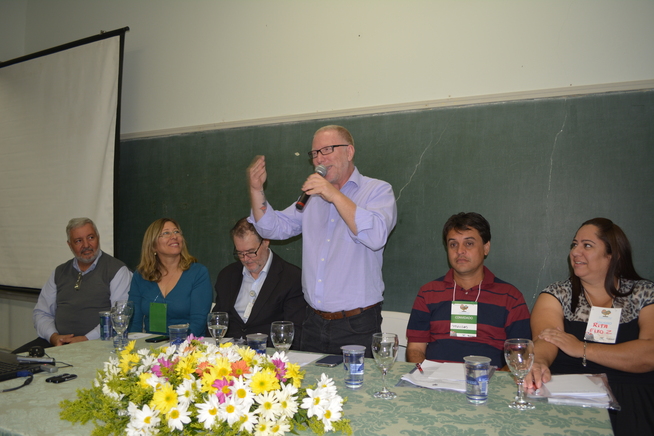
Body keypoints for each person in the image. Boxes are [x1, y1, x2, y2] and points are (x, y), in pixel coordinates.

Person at [247, 125, 397, 357]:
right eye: (315, 153)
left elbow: (376, 236)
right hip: (312, 322)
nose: (319, 158)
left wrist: (333, 194)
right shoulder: (312, 198)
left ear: (349, 152)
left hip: (356, 324)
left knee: (357, 381)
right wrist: (256, 190)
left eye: (327, 150)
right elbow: (273, 227)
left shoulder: (377, 190)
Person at [526, 218, 654, 435]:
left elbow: (650, 353)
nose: (575, 252)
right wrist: (538, 362)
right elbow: (546, 339)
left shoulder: (644, 293)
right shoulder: (557, 294)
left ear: (613, 254)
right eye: (574, 245)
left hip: (632, 399)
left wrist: (582, 348)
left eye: (587, 245)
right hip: (570, 395)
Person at [406, 212, 531, 367]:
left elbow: (520, 354)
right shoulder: (428, 293)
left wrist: (497, 379)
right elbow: (415, 349)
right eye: (453, 244)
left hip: (488, 379)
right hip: (436, 378)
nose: (460, 251)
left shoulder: (511, 297)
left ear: (486, 248)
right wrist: (424, 375)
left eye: (469, 243)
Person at [13, 218, 132, 353]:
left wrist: (86, 339)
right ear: (70, 245)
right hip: (57, 343)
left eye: (91, 237)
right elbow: (42, 312)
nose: (86, 245)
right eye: (78, 241)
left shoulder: (117, 270)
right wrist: (53, 337)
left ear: (98, 238)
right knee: (12, 361)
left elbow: (119, 316)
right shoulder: (60, 272)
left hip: (97, 344)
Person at [213, 218, 305, 348]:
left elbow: (293, 332)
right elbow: (217, 320)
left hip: (268, 352)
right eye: (240, 253)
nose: (246, 259)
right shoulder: (227, 275)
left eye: (251, 252)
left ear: (266, 241)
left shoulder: (291, 278)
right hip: (228, 352)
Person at [128, 218, 212, 337]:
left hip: (188, 344)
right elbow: (134, 321)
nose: (174, 236)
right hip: (151, 344)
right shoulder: (141, 275)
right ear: (153, 246)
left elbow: (198, 321)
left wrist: (178, 344)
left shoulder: (198, 273)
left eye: (176, 232)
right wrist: (134, 344)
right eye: (166, 233)